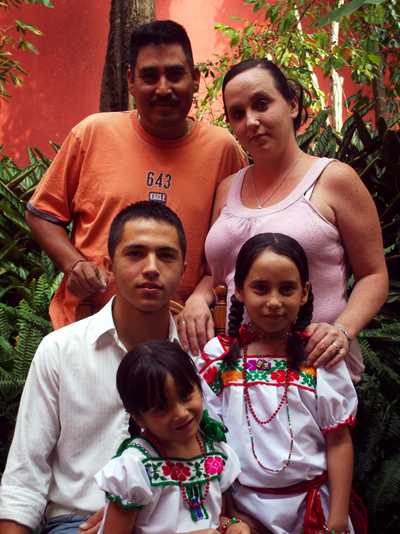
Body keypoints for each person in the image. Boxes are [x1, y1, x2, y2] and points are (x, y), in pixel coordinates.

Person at [25, 20, 247, 330]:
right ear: (130, 81)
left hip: (179, 334)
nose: (163, 88)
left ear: (195, 80)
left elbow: (234, 244)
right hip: (88, 323)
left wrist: (201, 297)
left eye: (175, 74)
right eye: (149, 76)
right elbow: (42, 214)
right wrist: (73, 264)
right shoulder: (92, 134)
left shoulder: (222, 149)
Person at [178, 59, 388, 383]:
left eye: (262, 104)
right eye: (237, 113)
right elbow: (218, 274)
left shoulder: (334, 180)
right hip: (236, 374)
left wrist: (342, 331)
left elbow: (374, 275)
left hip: (315, 376)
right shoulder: (227, 188)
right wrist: (196, 298)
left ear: (291, 104)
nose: (251, 121)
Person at [0, 201, 192, 534]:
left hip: (173, 522)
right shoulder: (61, 351)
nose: (151, 268)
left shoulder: (197, 358)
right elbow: (25, 474)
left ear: (183, 268)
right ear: (110, 266)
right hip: (75, 522)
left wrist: (131, 512)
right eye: (134, 253)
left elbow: (214, 456)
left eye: (166, 255)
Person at [197, 233, 367, 534]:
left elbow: (338, 441)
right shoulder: (218, 359)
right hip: (241, 510)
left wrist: (338, 518)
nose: (274, 302)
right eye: (260, 288)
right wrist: (225, 510)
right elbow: (212, 443)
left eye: (287, 289)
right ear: (239, 291)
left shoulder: (318, 358)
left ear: (304, 293)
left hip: (313, 510)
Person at [94, 340, 253, 534]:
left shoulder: (216, 454)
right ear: (138, 418)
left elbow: (215, 517)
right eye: (161, 407)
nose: (181, 414)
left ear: (198, 384)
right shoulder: (135, 467)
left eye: (186, 394)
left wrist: (232, 526)